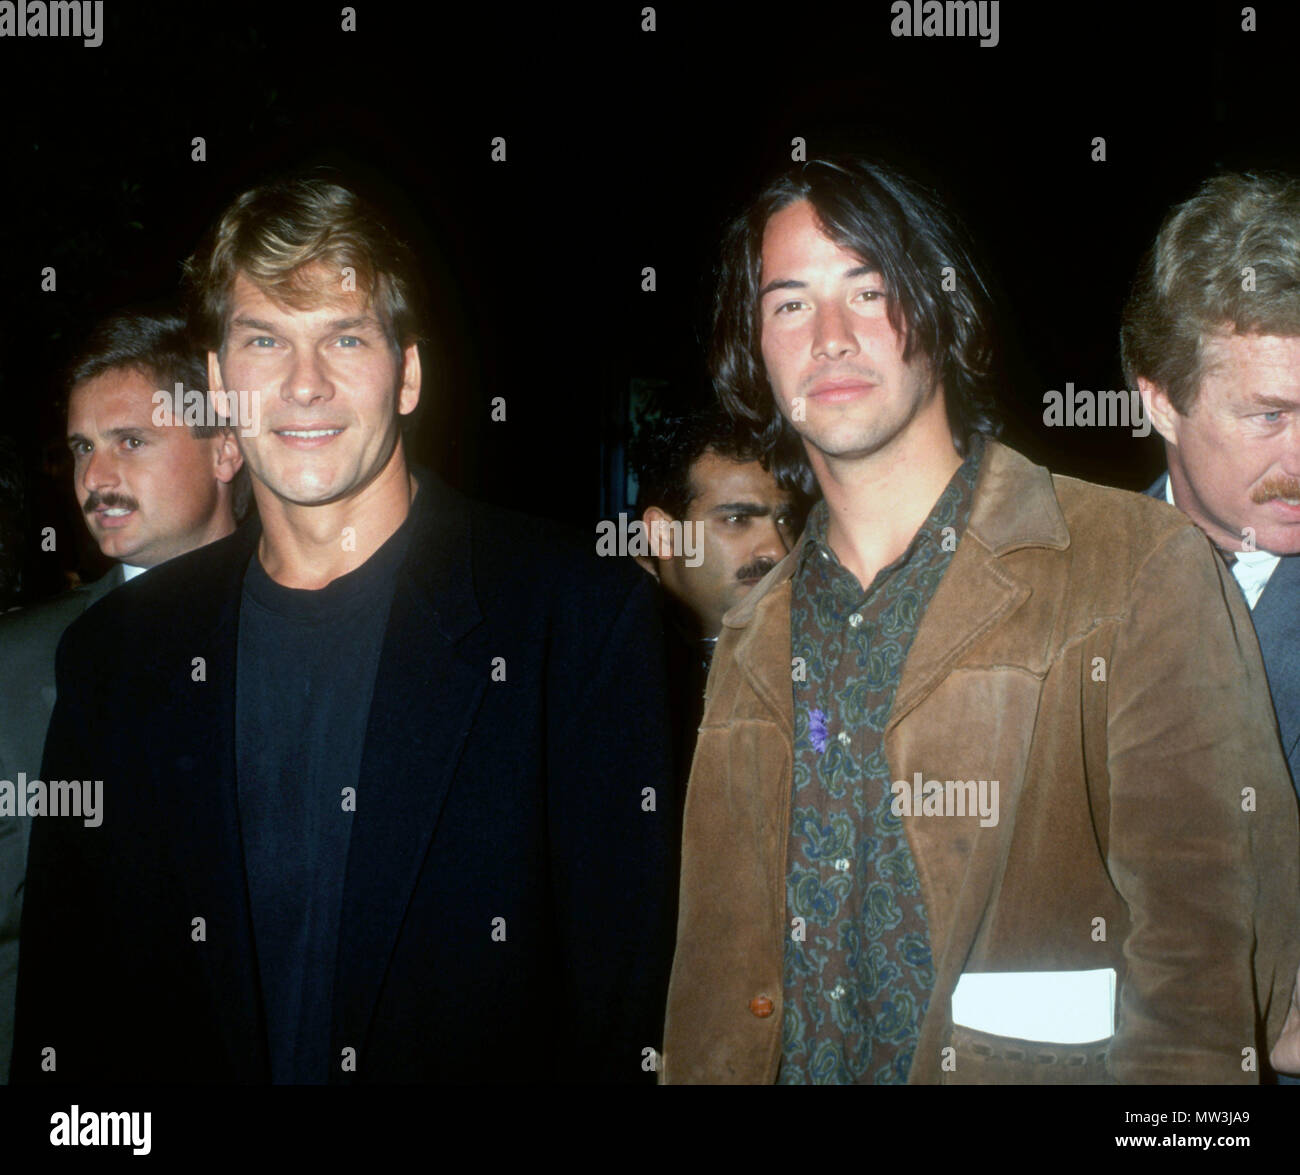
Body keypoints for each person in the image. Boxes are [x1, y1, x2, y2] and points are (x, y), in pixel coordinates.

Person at [13, 174, 676, 1084]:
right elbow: (67, 1017)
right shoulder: (116, 656)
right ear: (217, 379)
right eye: (263, 340)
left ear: (407, 374)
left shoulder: (578, 621)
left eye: (345, 336)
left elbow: (625, 1011)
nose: (304, 384)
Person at [660, 156, 1300, 1084]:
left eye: (870, 290)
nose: (831, 336)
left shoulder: (1133, 563)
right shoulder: (754, 637)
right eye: (790, 303)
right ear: (751, 346)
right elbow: (715, 986)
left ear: (939, 309)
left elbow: (1198, 992)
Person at [0, 310, 244, 1082]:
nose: (94, 480)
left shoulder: (314, 637)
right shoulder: (20, 658)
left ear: (226, 448)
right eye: (81, 448)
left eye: (130, 441)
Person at [630, 404, 804, 796]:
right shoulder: (607, 660)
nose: (777, 550)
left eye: (785, 520)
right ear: (665, 536)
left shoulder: (814, 653)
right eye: (737, 520)